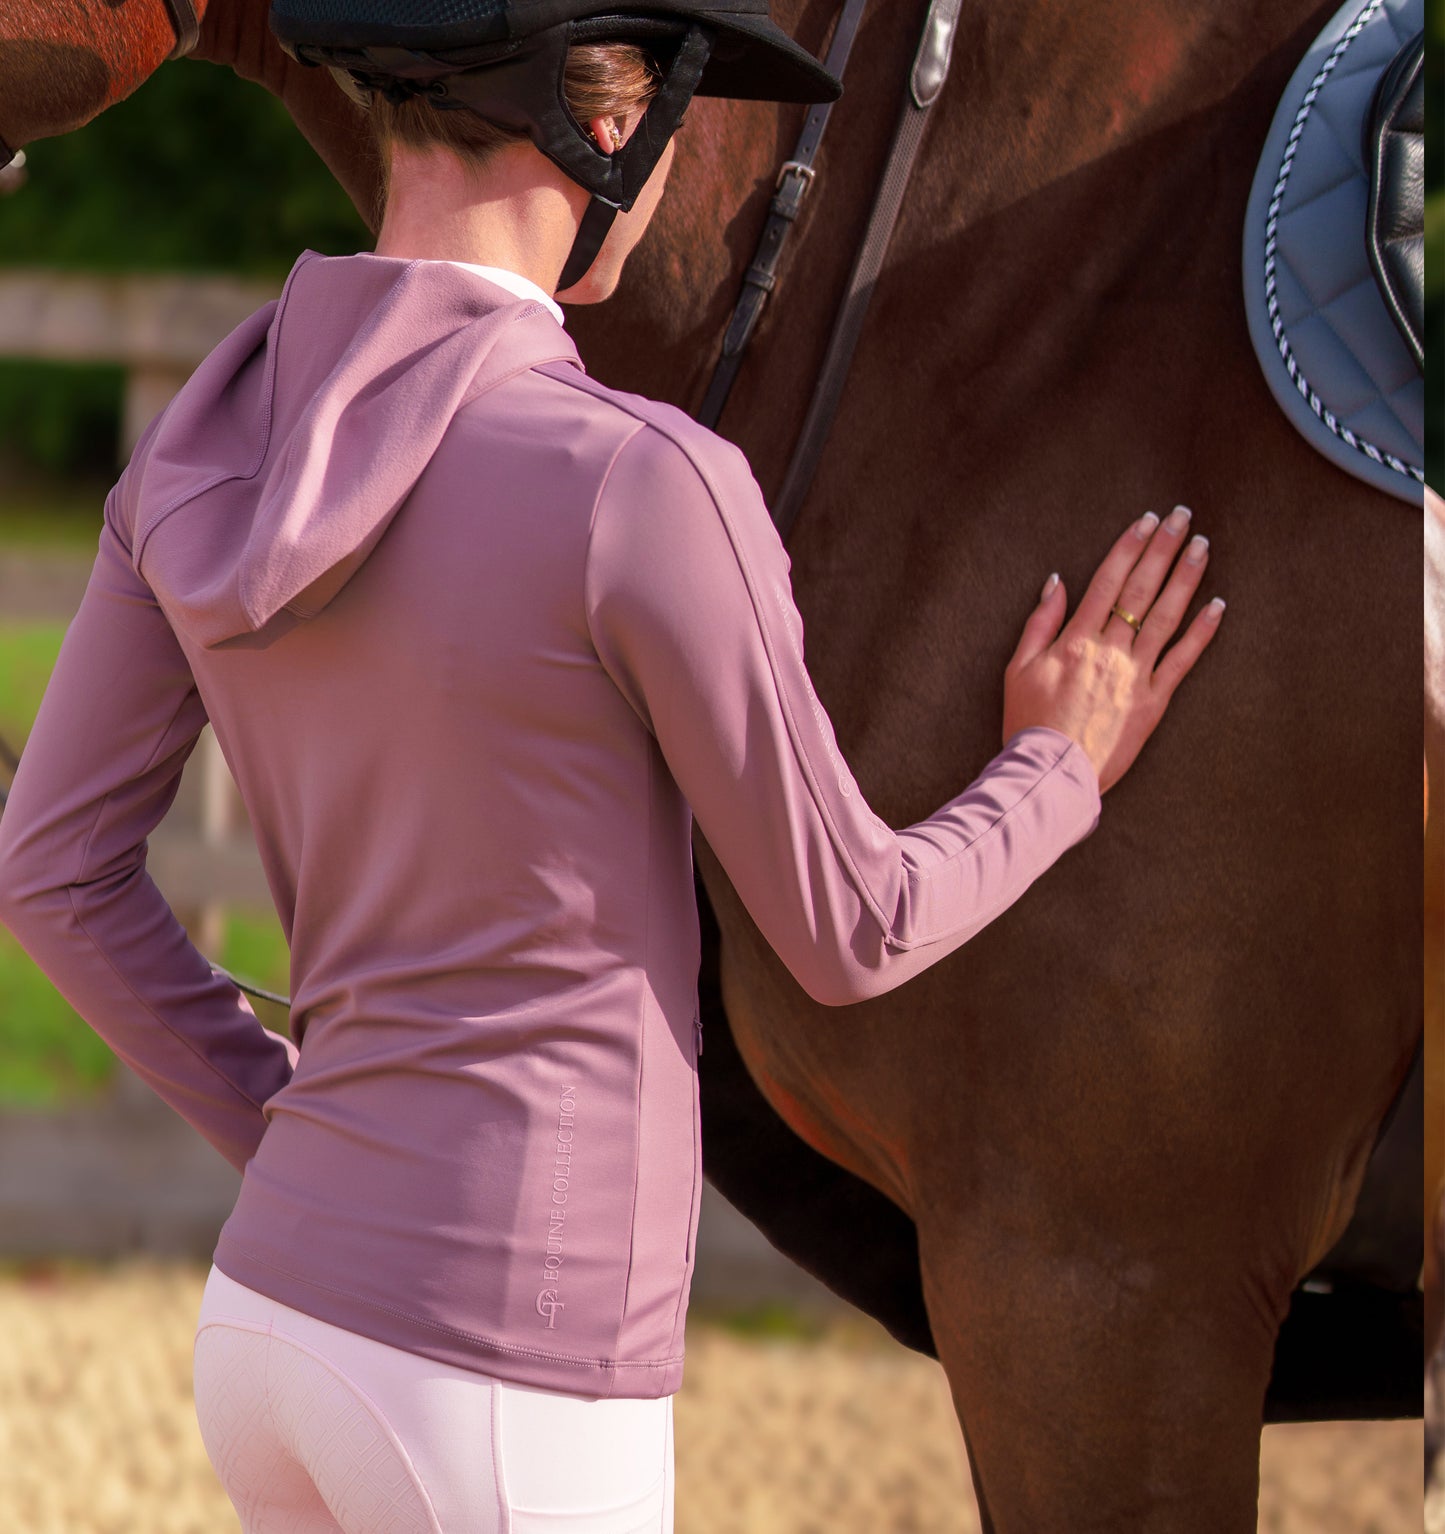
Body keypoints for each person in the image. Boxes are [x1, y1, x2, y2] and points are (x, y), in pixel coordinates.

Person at [0, 1, 1224, 1528]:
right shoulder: (646, 486)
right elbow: (854, 925)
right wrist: (1058, 759)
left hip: (272, 1323)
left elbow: (49, 871)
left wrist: (288, 1126)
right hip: (508, 1362)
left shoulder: (196, 449)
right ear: (607, 132)